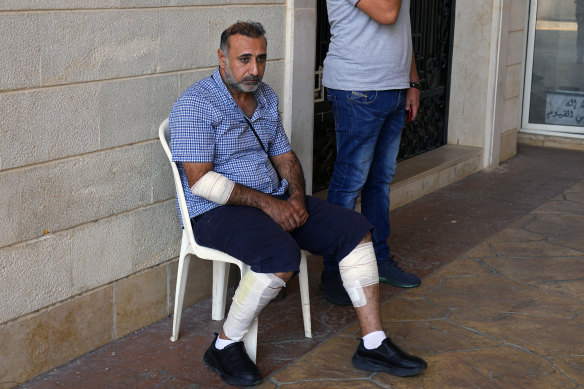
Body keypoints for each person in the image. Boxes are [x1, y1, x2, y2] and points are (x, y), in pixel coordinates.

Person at [169, 21, 427, 386]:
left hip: (273, 199)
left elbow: (285, 157)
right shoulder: (194, 104)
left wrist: (294, 197)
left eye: (260, 59)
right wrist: (269, 206)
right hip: (216, 212)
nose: (254, 69)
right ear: (222, 58)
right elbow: (201, 182)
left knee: (355, 230)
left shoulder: (266, 96)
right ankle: (224, 346)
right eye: (244, 59)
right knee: (281, 257)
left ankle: (373, 343)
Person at [320, 0, 423, 306]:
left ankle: (379, 260)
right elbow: (388, 13)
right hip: (357, 89)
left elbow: (401, 28)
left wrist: (413, 80)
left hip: (394, 87)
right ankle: (334, 271)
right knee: (349, 183)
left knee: (380, 182)